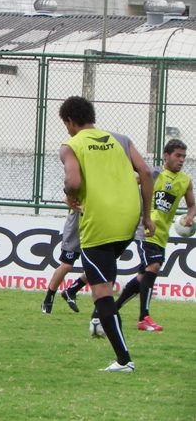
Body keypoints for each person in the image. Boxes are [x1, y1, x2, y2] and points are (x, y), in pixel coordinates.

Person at [59, 95, 155, 372]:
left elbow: (73, 181)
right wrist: (146, 216)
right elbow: (146, 173)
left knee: (101, 293)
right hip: (127, 219)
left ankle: (124, 360)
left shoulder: (71, 145)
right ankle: (101, 317)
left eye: (66, 124)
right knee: (102, 277)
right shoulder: (119, 139)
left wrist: (69, 194)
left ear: (70, 121)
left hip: (98, 221)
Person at [115, 139, 195, 331]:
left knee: (144, 275)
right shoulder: (152, 174)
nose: (181, 160)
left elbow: (192, 205)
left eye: (184, 156)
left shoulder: (185, 181)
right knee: (154, 266)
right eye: (178, 155)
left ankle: (111, 309)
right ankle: (144, 317)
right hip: (145, 229)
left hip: (162, 235)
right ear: (166, 156)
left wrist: (190, 217)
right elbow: (124, 187)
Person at [41, 209, 87, 314]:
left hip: (93, 232)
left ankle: (71, 291)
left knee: (94, 268)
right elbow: (66, 198)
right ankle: (49, 298)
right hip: (76, 230)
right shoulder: (81, 192)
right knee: (66, 266)